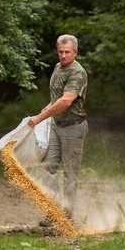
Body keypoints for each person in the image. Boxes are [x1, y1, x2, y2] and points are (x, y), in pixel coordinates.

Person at [27, 34, 88, 227]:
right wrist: (46, 110)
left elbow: (65, 101)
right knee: (48, 166)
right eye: (60, 51)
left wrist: (39, 118)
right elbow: (56, 98)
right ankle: (54, 213)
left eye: (67, 52)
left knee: (70, 173)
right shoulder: (57, 68)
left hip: (73, 127)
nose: (63, 55)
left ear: (75, 52)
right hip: (56, 125)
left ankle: (67, 217)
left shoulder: (78, 73)